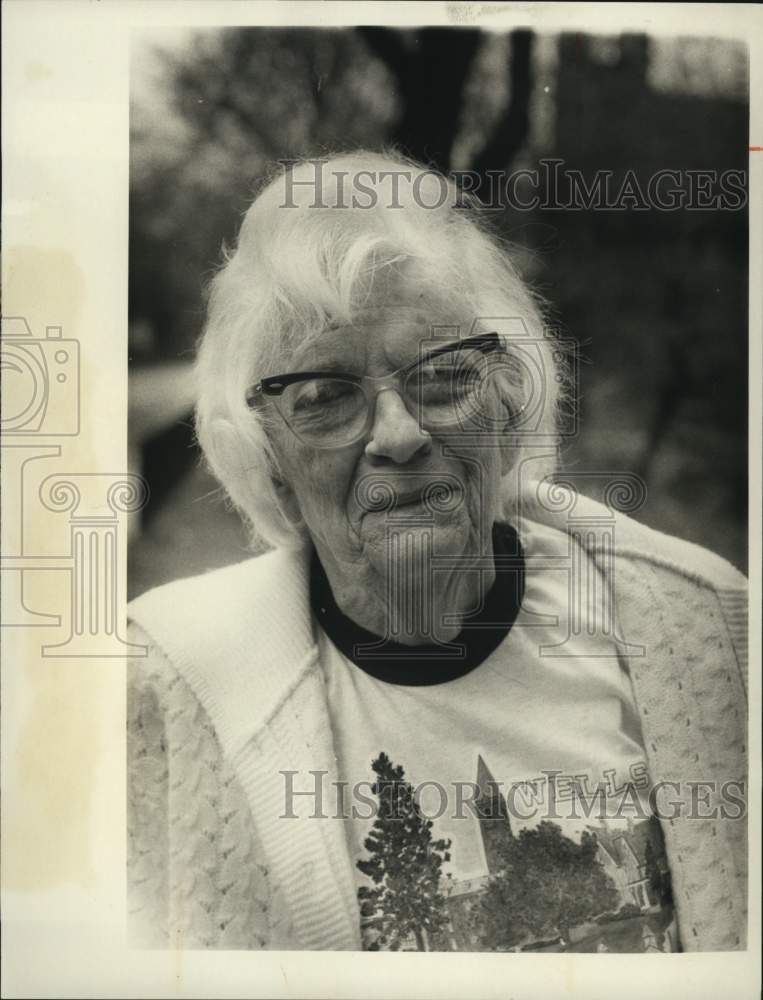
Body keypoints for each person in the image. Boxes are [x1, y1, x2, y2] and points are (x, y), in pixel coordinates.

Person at [127, 152, 748, 953]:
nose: (398, 435)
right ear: (268, 460)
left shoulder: (700, 633)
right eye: (324, 398)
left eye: (444, 376)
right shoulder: (165, 685)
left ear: (508, 405)